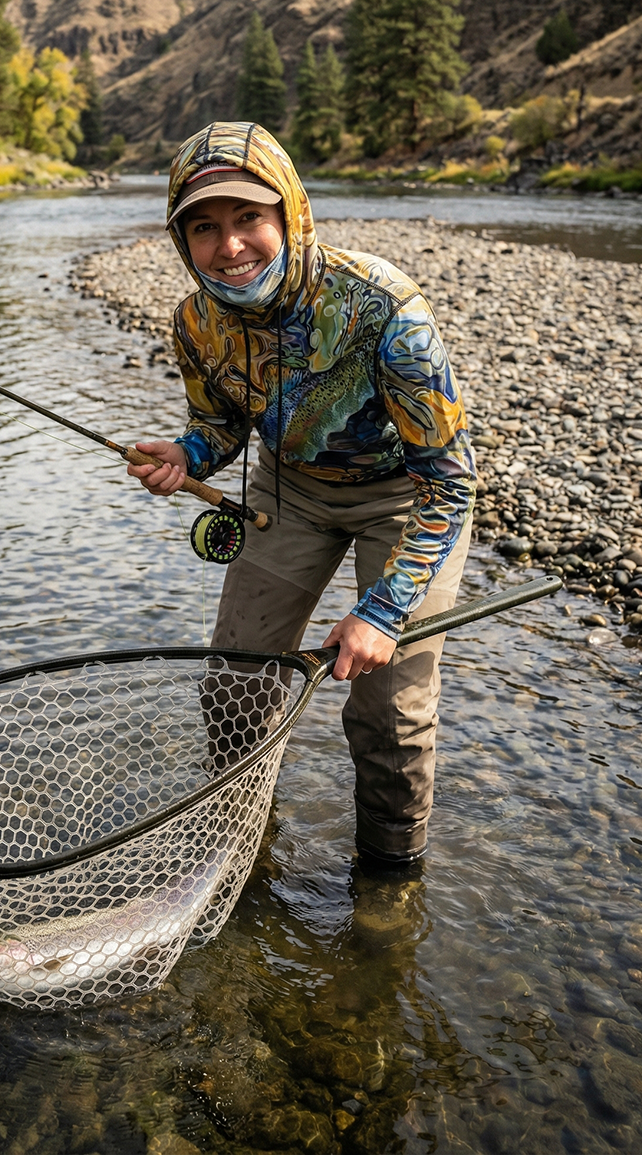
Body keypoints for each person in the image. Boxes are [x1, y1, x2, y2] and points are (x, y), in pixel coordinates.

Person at [128, 121, 476, 868]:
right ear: (180, 236)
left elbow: (452, 480)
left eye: (249, 218)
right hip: (290, 494)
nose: (230, 246)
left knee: (389, 711)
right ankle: (241, 847)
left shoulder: (385, 307)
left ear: (288, 211)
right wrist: (186, 454)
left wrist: (381, 612)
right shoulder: (196, 320)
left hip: (406, 499)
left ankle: (389, 880)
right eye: (205, 227)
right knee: (234, 683)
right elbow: (220, 421)